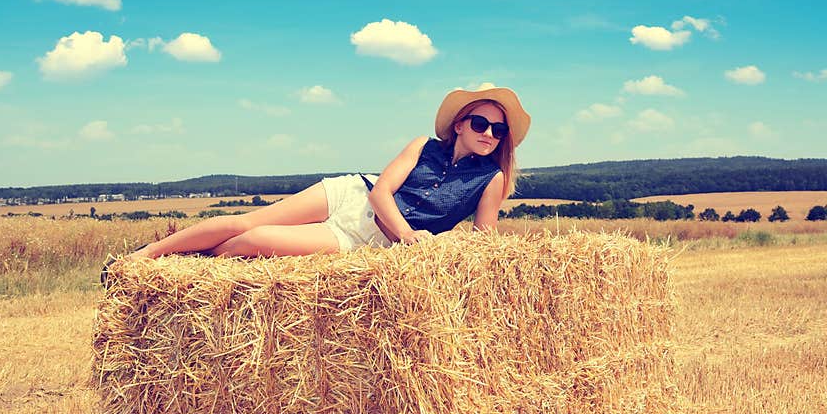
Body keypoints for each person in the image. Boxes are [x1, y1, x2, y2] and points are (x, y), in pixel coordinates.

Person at [118, 86, 531, 264]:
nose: (490, 134)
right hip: (353, 197)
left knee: (253, 241)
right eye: (481, 123)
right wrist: (409, 237)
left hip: (364, 240)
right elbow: (380, 193)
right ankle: (144, 257)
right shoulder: (421, 145)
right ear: (459, 124)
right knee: (248, 220)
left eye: (499, 130)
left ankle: (197, 264)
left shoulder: (489, 179)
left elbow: (484, 239)